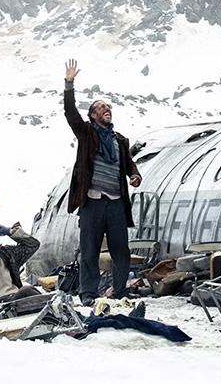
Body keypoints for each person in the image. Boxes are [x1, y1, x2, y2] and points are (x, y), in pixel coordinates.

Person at [62, 59, 142, 306]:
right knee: (90, 251)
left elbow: (127, 163)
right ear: (93, 115)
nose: (106, 109)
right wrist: (69, 84)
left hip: (116, 202)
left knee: (121, 250)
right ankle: (88, 294)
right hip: (93, 201)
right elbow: (70, 113)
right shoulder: (87, 133)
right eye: (100, 107)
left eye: (108, 106)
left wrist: (134, 174)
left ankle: (119, 291)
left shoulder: (119, 140)